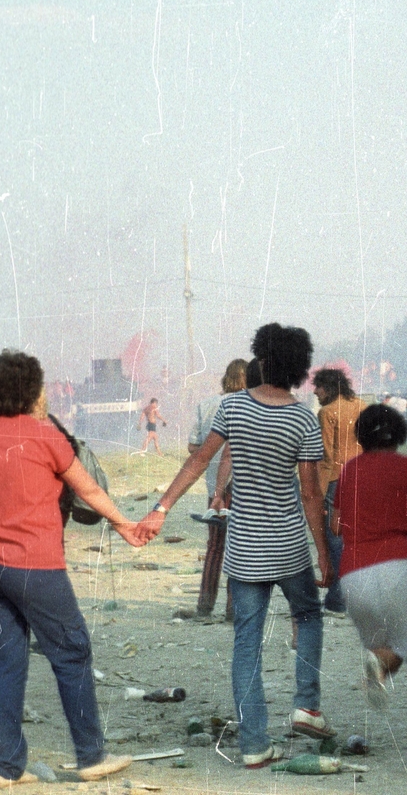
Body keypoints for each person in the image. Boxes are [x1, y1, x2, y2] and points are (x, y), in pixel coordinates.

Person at [134, 323, 333, 769]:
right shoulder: (303, 417)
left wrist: (161, 508)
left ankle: (254, 743)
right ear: (301, 368)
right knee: (308, 615)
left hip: (244, 548)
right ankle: (307, 705)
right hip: (287, 548)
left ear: (260, 359)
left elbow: (200, 459)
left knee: (247, 642)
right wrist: (322, 550)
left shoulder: (233, 407)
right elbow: (310, 495)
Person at [0, 350, 140, 788]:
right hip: (37, 567)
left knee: (6, 661)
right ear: (35, 392)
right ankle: (91, 755)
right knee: (71, 652)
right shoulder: (46, 437)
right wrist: (124, 525)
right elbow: (88, 489)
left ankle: (7, 767)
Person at [333, 402, 407, 770]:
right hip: (399, 565)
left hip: (353, 573)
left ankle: (379, 661)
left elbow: (337, 525)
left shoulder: (348, 470)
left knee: (390, 643)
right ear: (399, 433)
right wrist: (402, 514)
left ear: (360, 436)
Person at [188, 359, 249, 622]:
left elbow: (194, 447)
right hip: (245, 486)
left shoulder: (208, 405)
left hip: (214, 486)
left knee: (215, 546)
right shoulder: (252, 405)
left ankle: (204, 605)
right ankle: (233, 609)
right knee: (240, 547)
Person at [313, 367, 362, 614]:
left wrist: (318, 495)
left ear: (329, 388)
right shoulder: (362, 406)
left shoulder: (327, 412)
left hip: (337, 480)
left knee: (335, 539)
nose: (315, 392)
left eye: (318, 387)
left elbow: (326, 457)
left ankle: (337, 598)